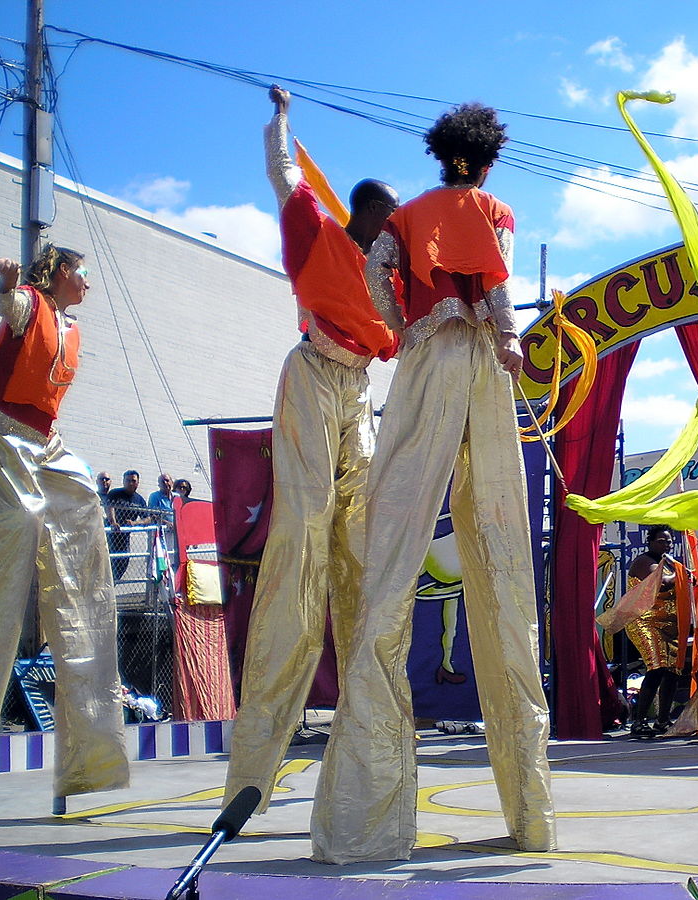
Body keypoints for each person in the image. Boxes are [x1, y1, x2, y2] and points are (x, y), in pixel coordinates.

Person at [319, 102, 556, 864]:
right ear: (486, 160)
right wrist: (512, 341)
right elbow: (493, 284)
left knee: (394, 549)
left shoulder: (409, 214)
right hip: (480, 366)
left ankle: (363, 816)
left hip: (421, 370)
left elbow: (375, 274)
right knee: (501, 553)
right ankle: (531, 816)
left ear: (442, 154)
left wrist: (403, 328)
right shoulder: (491, 206)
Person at [221, 86, 400, 825]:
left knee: (358, 546)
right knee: (302, 536)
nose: (394, 229)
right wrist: (283, 117)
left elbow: (413, 336)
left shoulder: (393, 283)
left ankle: (368, 742)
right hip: (311, 377)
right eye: (388, 219)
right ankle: (260, 750)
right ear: (366, 215)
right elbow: (283, 171)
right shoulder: (318, 232)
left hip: (357, 391)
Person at [0, 246, 128, 832]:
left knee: (85, 499)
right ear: (59, 274)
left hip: (42, 437)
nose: (88, 282)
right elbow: (11, 306)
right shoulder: (33, 304)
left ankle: (89, 757)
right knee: (21, 520)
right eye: (83, 272)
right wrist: (10, 286)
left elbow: (46, 392)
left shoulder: (71, 327)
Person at [626, 525, 686, 737]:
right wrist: (682, 575)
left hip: (668, 625)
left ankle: (663, 720)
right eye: (661, 541)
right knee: (657, 668)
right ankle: (639, 721)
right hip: (645, 622)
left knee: (672, 671)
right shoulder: (644, 562)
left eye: (669, 541)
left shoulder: (669, 564)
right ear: (650, 542)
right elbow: (661, 584)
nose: (666, 545)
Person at [106, 469, 151, 581]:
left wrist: (135, 523)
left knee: (123, 563)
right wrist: (113, 522)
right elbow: (109, 506)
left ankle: (113, 584)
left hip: (124, 538)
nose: (130, 483)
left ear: (137, 482)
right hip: (110, 536)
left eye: (133, 480)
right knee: (107, 562)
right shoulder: (115, 494)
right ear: (123, 481)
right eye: (128, 480)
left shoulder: (139, 499)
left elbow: (147, 518)